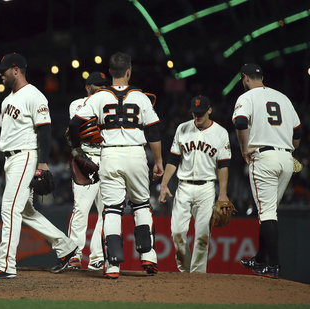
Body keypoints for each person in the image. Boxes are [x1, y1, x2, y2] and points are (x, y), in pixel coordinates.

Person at [0, 53, 77, 279]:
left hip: (26, 157)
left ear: (16, 70)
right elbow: (1, 132)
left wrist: (42, 162)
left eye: (3, 70)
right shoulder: (7, 100)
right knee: (25, 211)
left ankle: (6, 265)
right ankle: (66, 247)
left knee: (10, 209)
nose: (0, 74)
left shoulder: (34, 96)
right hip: (10, 159)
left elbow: (45, 130)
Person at [68, 52, 164, 279]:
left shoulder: (99, 97)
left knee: (111, 210)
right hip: (136, 154)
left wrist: (76, 148)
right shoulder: (141, 98)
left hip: (109, 155)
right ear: (129, 71)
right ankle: (148, 255)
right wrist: (158, 161)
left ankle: (112, 265)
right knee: (141, 205)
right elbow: (153, 131)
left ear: (110, 72)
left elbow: (74, 124)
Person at [233, 63, 301, 279]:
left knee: (267, 212)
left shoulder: (248, 97)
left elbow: (240, 121)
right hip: (286, 158)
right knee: (268, 211)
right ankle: (261, 257)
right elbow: (298, 133)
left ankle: (273, 264)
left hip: (264, 158)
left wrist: (244, 149)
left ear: (245, 78)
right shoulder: (283, 98)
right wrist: (285, 146)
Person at [158, 95, 231, 273]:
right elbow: (173, 159)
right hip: (183, 187)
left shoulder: (220, 133)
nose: (197, 116)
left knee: (202, 236)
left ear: (209, 110)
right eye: (194, 113)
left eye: (201, 113)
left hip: (206, 187)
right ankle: (185, 272)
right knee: (177, 233)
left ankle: (198, 276)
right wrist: (164, 184)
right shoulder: (182, 129)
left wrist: (223, 193)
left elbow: (223, 166)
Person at [66, 72, 109, 270]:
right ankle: (74, 253)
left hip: (109, 159)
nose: (101, 87)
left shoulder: (111, 105)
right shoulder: (77, 104)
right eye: (97, 85)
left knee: (106, 212)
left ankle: (97, 256)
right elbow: (83, 127)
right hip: (86, 157)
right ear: (87, 87)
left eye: (103, 85)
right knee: (81, 209)